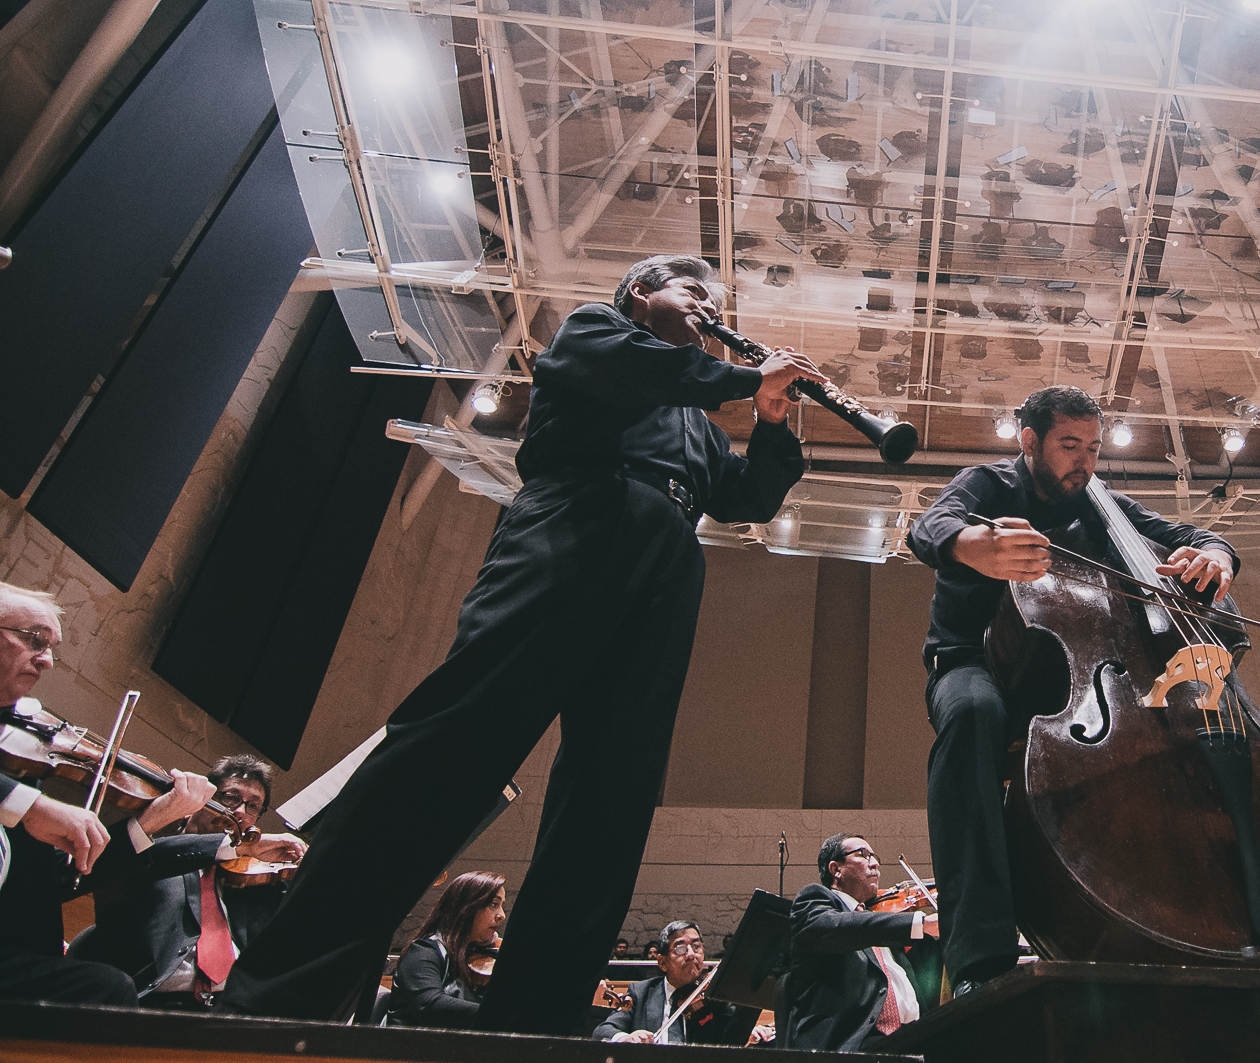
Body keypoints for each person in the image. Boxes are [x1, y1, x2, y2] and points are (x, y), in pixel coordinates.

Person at [222, 254, 823, 1035]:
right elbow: (633, 370)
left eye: (714, 298)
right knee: (454, 746)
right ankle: (282, 992)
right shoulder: (596, 333)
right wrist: (742, 379)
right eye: (691, 290)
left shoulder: (695, 424)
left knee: (612, 799)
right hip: (573, 529)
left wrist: (772, 417)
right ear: (641, 294)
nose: (709, 306)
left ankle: (539, 1022)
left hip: (667, 568)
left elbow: (745, 499)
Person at [907, 386, 1238, 994]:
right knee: (972, 717)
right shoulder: (987, 486)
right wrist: (971, 545)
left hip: (1072, 677)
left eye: (1092, 447)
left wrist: (1215, 554)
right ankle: (980, 958)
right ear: (1029, 440)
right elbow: (930, 526)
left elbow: (1189, 530)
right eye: (1068, 445)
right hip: (974, 661)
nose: (1083, 461)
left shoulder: (1100, 502)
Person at [0, 580, 239, 1005]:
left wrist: (153, 817)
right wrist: (30, 806)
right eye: (34, 640)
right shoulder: (13, 791)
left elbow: (60, 880)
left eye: (52, 648)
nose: (47, 661)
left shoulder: (11, 759)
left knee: (105, 986)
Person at [70, 754, 307, 1007]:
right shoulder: (147, 858)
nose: (240, 812)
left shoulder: (251, 884)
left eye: (253, 806)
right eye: (229, 798)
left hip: (227, 1012)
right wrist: (232, 847)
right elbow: (127, 858)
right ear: (200, 800)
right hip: (150, 1004)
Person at [785, 834, 937, 1051]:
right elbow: (841, 927)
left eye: (874, 856)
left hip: (914, 1041)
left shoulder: (883, 923)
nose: (875, 863)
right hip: (849, 1045)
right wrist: (920, 922)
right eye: (863, 855)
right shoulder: (813, 901)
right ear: (835, 869)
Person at [594, 920, 765, 1045]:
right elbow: (603, 1030)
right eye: (680, 948)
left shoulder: (713, 998)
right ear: (662, 962)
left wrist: (748, 1029)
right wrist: (625, 1038)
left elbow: (733, 1034)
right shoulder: (641, 993)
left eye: (696, 946)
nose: (691, 954)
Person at [388, 871, 505, 1028]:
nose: (502, 915)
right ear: (466, 907)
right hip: (414, 1048)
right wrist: (502, 1016)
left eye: (501, 905)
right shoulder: (423, 951)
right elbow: (430, 1005)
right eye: (493, 904)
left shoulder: (482, 955)